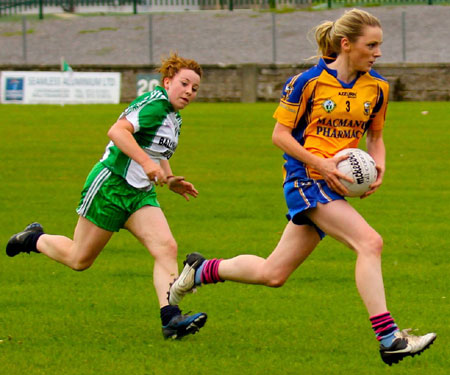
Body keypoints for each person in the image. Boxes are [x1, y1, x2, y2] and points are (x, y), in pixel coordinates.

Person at [167, 9, 436, 364]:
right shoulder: (306, 82)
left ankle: (200, 270)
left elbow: (376, 136)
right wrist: (320, 163)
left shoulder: (378, 87)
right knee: (369, 242)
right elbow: (279, 135)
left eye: (379, 46)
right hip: (305, 179)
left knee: (272, 273)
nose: (378, 53)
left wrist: (378, 163)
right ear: (346, 44)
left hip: (333, 186)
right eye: (371, 45)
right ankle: (390, 339)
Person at [6, 52, 207, 340]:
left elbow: (156, 151)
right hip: (111, 186)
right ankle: (33, 239)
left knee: (166, 248)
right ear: (167, 81)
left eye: (195, 89)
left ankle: (170, 319)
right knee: (79, 259)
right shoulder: (155, 104)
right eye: (184, 84)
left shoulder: (174, 118)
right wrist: (148, 165)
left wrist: (169, 177)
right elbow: (117, 131)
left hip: (139, 195)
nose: (189, 92)